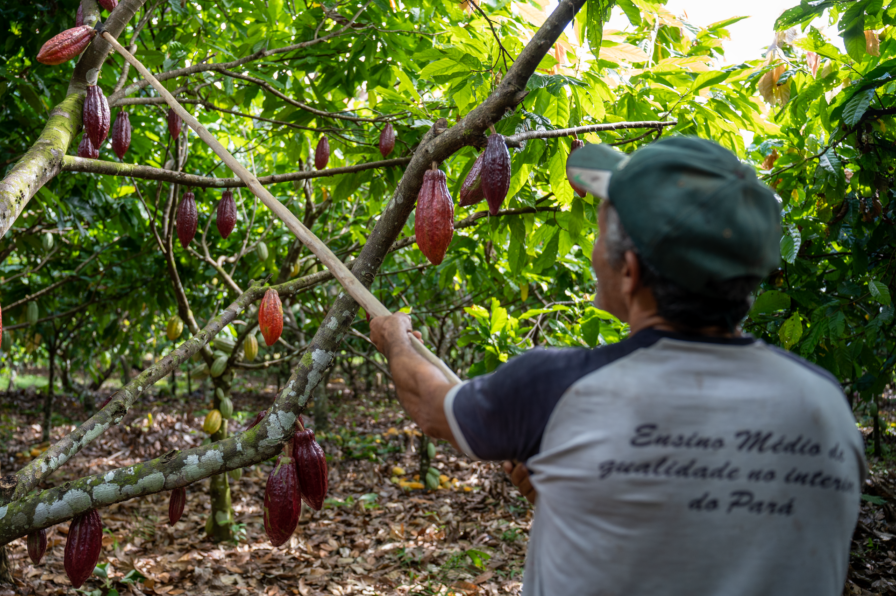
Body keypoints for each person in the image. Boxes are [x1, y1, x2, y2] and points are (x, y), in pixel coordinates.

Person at [370, 136, 865, 595]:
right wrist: (574, 495)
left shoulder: (558, 388)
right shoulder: (826, 404)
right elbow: (715, 538)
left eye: (602, 231)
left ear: (630, 271)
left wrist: (396, 341)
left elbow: (430, 407)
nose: (591, 251)